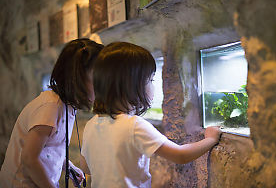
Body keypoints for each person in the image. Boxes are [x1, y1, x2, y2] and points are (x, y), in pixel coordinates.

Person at [79, 42, 222, 188]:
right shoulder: (134, 125)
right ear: (132, 84)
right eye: (151, 80)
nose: (153, 85)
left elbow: (86, 167)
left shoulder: (91, 124)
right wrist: (210, 139)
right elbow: (180, 155)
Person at [0, 38, 104, 188]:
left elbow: (50, 147)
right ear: (76, 79)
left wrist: (68, 166)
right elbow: (29, 158)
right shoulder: (50, 107)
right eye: (98, 79)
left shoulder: (66, 107)